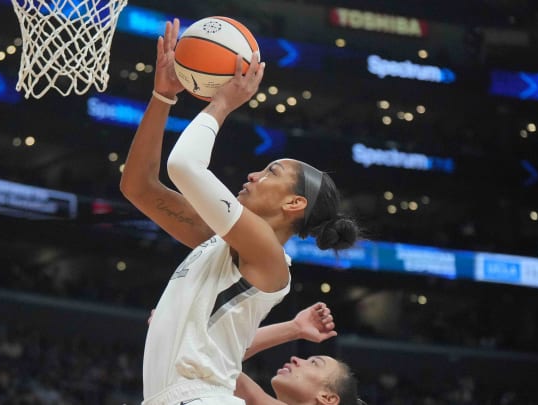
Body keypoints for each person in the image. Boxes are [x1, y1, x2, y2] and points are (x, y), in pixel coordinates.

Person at [120, 19, 359, 405]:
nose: (254, 174)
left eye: (272, 172)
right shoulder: (218, 240)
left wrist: (223, 102)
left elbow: (184, 166)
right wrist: (162, 97)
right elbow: (138, 187)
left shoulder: (265, 252)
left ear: (294, 203)